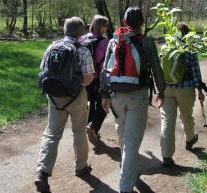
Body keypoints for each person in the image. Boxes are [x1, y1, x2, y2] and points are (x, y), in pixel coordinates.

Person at [100, 7, 166, 193]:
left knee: (122, 134)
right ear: (142, 23)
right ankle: (126, 186)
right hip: (138, 96)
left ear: (124, 22)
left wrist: (104, 95)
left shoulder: (114, 41)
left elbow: (105, 70)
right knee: (131, 140)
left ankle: (127, 171)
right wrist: (161, 91)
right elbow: (156, 69)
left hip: (115, 96)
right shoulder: (146, 42)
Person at [35, 16, 95, 193]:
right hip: (76, 97)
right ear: (81, 32)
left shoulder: (52, 47)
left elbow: (42, 69)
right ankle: (81, 167)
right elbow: (88, 78)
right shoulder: (82, 50)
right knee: (78, 132)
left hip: (54, 97)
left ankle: (42, 172)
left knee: (52, 134)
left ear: (64, 30)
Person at [160, 23, 205, 167]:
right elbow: (195, 72)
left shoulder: (167, 47)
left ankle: (166, 156)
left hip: (167, 88)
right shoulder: (189, 49)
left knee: (167, 120)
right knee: (186, 116)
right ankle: (190, 139)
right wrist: (200, 90)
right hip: (185, 89)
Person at [80, 15, 110, 146]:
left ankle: (90, 127)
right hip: (99, 78)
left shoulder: (82, 39)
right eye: (106, 26)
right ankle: (93, 127)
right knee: (103, 105)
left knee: (92, 103)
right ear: (102, 27)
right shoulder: (106, 43)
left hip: (85, 78)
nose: (107, 28)